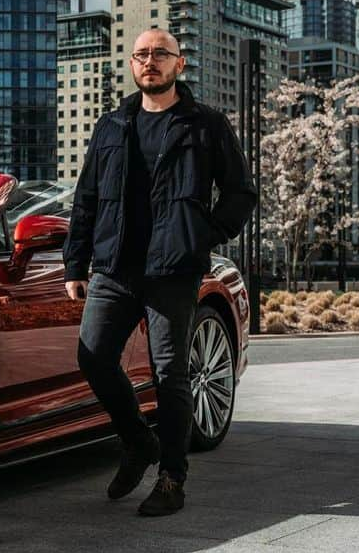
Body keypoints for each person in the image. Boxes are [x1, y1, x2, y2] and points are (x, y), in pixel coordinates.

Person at [62, 27, 257, 516]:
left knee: (170, 373)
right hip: (115, 266)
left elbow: (240, 192)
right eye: (142, 55)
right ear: (132, 65)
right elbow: (85, 199)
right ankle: (137, 441)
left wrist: (203, 234)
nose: (150, 62)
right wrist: (75, 262)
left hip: (173, 267)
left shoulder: (205, 124)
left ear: (179, 64)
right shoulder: (111, 126)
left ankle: (172, 476)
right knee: (94, 356)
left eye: (160, 54)